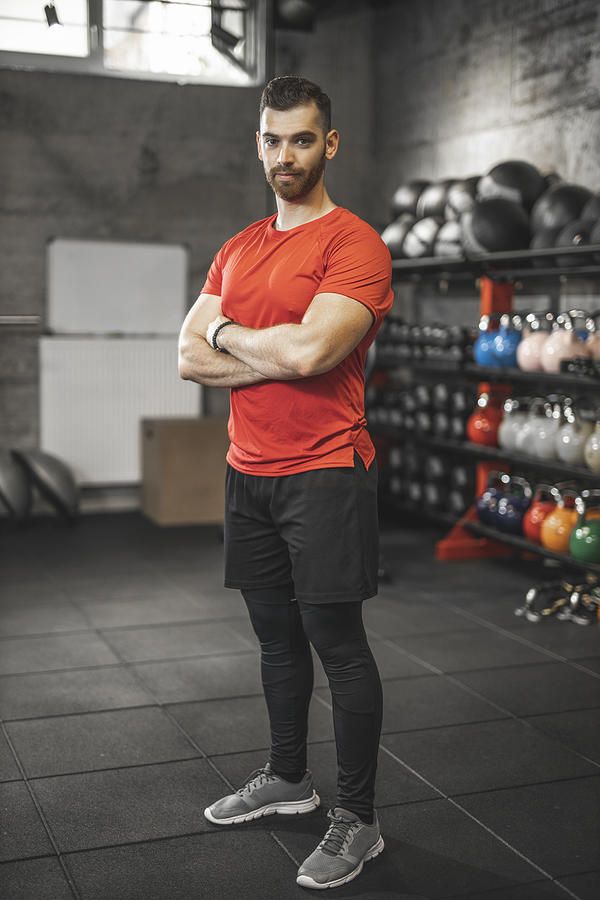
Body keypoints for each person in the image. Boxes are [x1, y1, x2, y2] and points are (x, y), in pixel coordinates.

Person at [178, 75, 393, 891]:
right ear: (258, 142)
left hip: (328, 474)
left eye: (301, 139)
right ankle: (289, 779)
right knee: (274, 640)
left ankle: (358, 820)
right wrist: (263, 342)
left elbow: (313, 355)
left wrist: (230, 329)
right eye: (272, 139)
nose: (285, 155)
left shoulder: (354, 244)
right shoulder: (237, 247)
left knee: (339, 648)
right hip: (249, 472)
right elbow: (185, 358)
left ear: (328, 144)